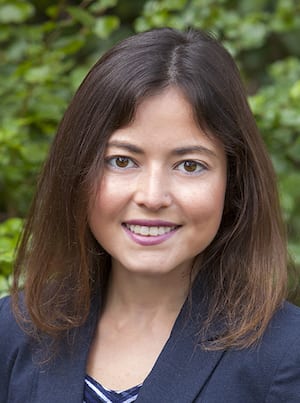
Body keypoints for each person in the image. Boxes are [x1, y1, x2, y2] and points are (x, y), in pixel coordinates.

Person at [1, 27, 300, 403]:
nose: (153, 196)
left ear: (234, 182)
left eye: (190, 165)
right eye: (122, 160)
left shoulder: (287, 356)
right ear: (76, 172)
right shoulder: (12, 333)